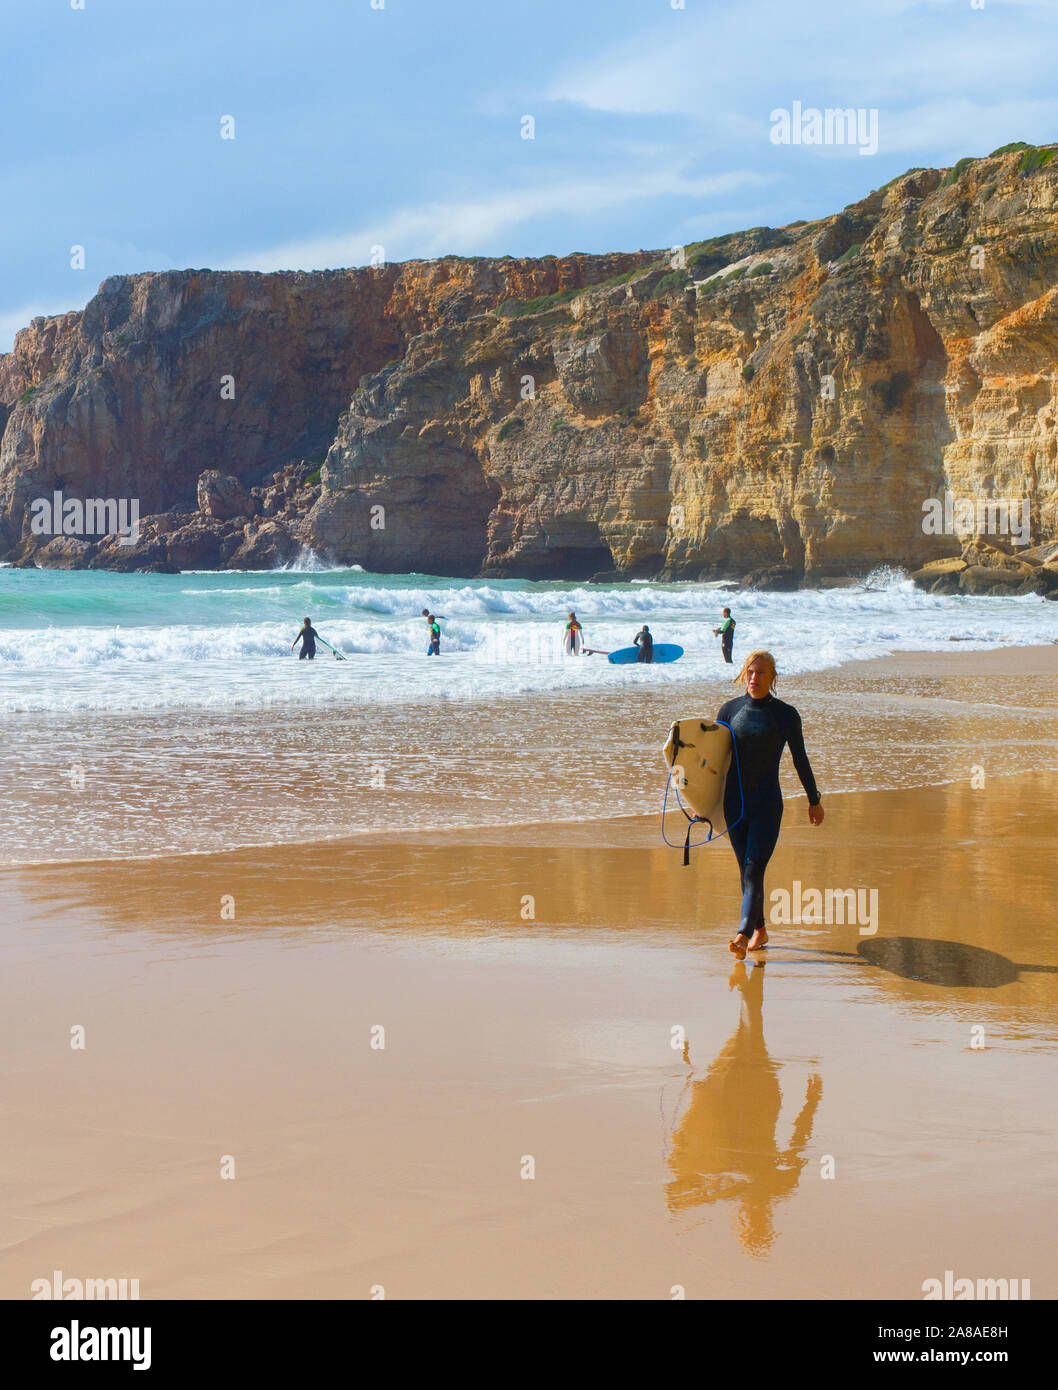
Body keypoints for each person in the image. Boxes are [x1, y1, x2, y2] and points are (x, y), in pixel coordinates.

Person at [717, 650, 823, 959]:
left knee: (753, 869)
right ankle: (760, 931)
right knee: (746, 869)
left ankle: (742, 934)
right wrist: (703, 803)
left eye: (761, 672)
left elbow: (800, 759)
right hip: (734, 804)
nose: (754, 677)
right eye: (750, 671)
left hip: (767, 804)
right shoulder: (728, 710)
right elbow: (713, 762)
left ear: (772, 676)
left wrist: (813, 800)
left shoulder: (785, 714)